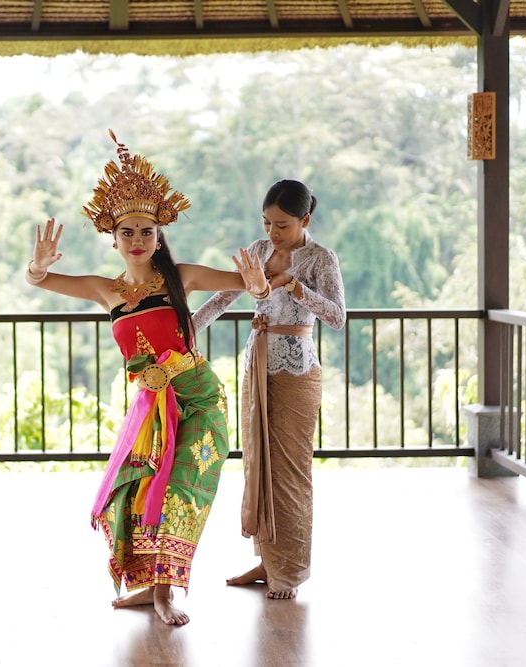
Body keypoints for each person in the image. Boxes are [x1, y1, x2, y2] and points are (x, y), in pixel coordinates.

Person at [25, 130, 270, 625]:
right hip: (150, 407)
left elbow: (248, 285)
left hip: (198, 400)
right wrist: (37, 265)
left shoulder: (181, 276)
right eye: (128, 232)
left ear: (158, 236)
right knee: (136, 493)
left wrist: (259, 284)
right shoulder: (105, 289)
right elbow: (41, 280)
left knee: (178, 490)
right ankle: (146, 586)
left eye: (146, 231)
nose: (138, 240)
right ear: (113, 238)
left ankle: (163, 593)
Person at [193, 179, 347, 600]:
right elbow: (222, 299)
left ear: (305, 220)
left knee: (290, 470)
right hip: (256, 362)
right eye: (266, 223)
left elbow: (337, 316)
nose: (272, 233)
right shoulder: (258, 251)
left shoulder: (320, 258)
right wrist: (185, 330)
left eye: (282, 225)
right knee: (257, 463)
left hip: (297, 369)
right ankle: (268, 560)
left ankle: (290, 571)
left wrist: (293, 285)